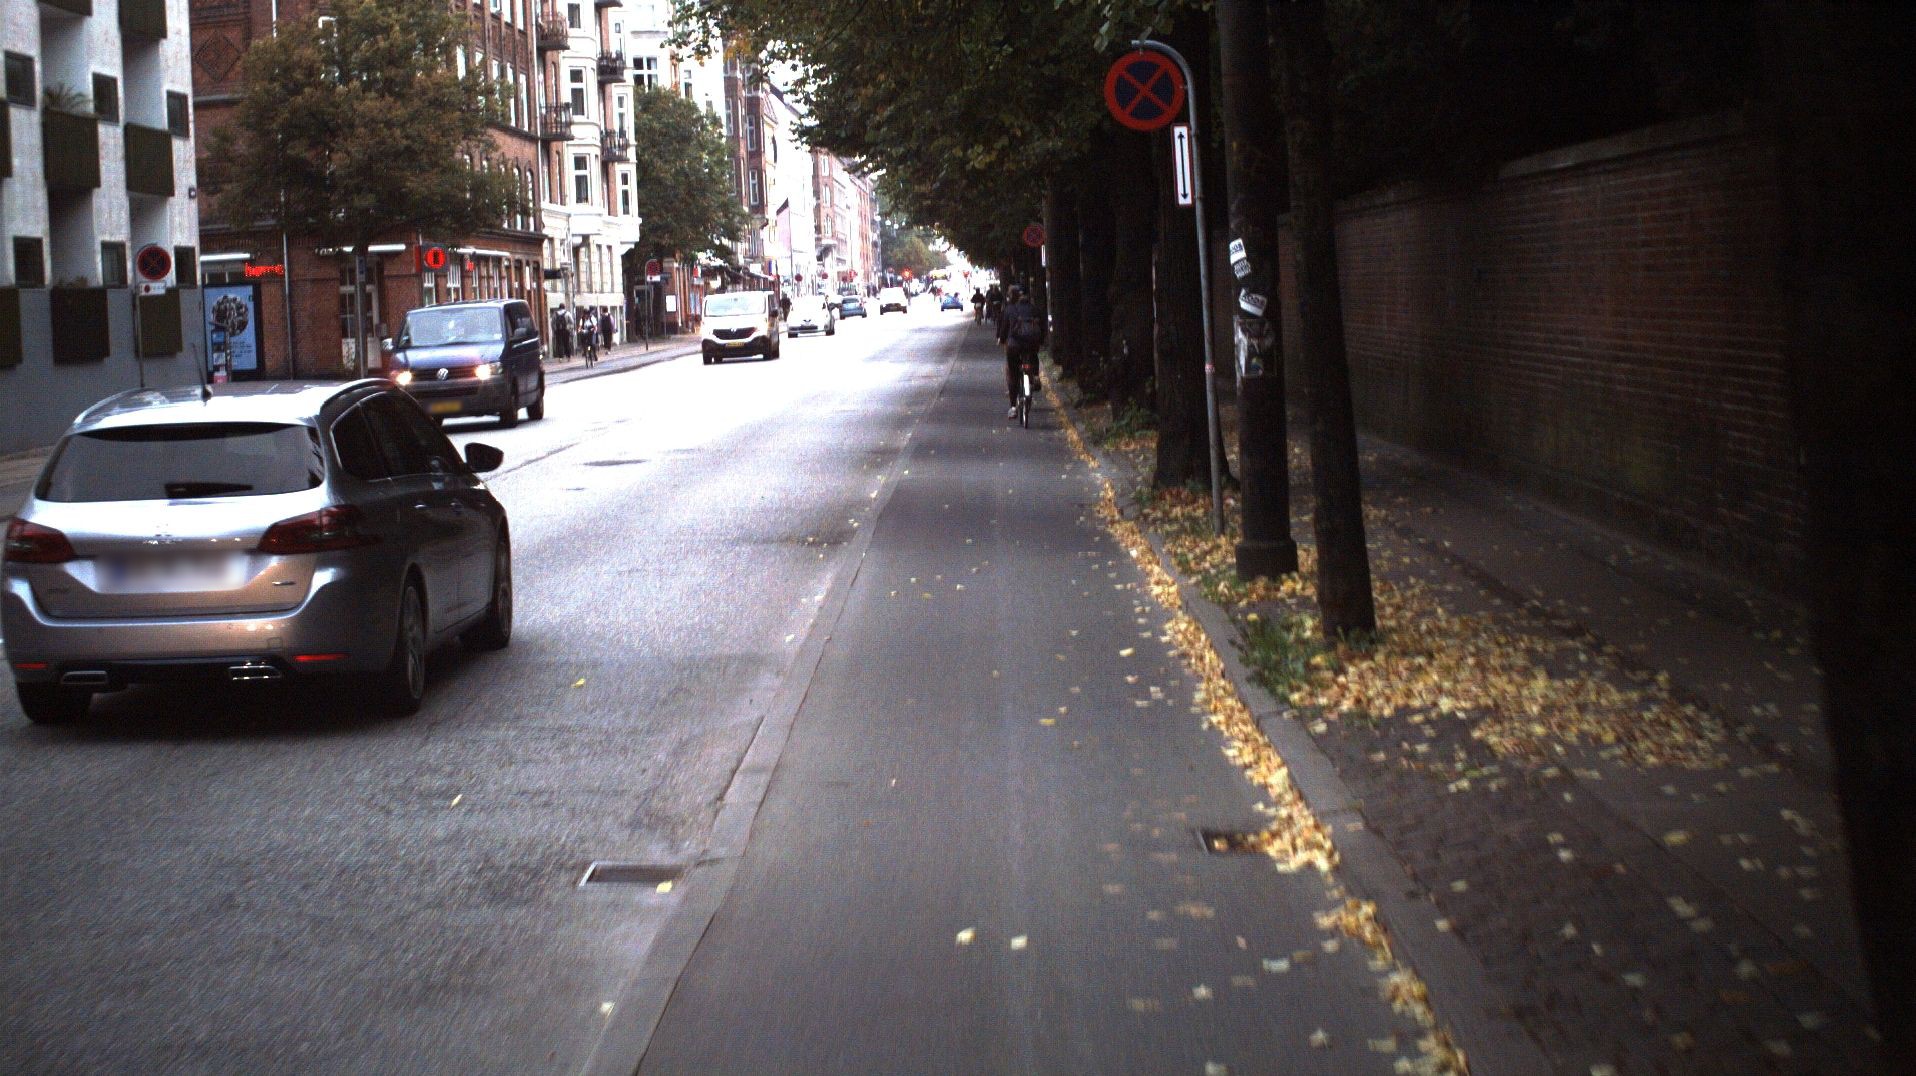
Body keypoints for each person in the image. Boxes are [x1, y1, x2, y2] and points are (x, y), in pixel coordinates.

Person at [995, 284, 1045, 419]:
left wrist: (1001, 339)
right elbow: (1042, 327)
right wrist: (1041, 340)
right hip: (1031, 344)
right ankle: (1035, 376)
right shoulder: (1035, 309)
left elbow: (1004, 329)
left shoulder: (1010, 309)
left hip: (1014, 346)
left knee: (1013, 375)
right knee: (1033, 354)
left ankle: (1013, 407)